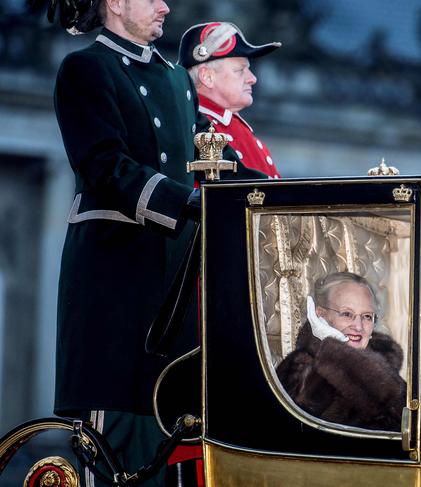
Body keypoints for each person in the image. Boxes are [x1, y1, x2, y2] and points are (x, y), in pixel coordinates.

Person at [32, 0, 263, 485]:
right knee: (117, 458)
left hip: (173, 300)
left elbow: (211, 158)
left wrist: (278, 194)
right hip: (116, 296)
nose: (165, 6)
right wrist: (189, 204)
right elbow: (104, 166)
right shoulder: (85, 69)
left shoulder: (176, 79)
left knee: (171, 453)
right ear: (115, 2)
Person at [276, 272, 406, 431]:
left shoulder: (385, 362)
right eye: (347, 314)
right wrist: (332, 351)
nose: (358, 326)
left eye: (366, 316)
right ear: (321, 315)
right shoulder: (299, 369)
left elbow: (407, 422)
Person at [178, 21, 282, 179]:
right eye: (240, 70)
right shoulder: (189, 127)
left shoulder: (237, 128)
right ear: (207, 77)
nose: (252, 78)